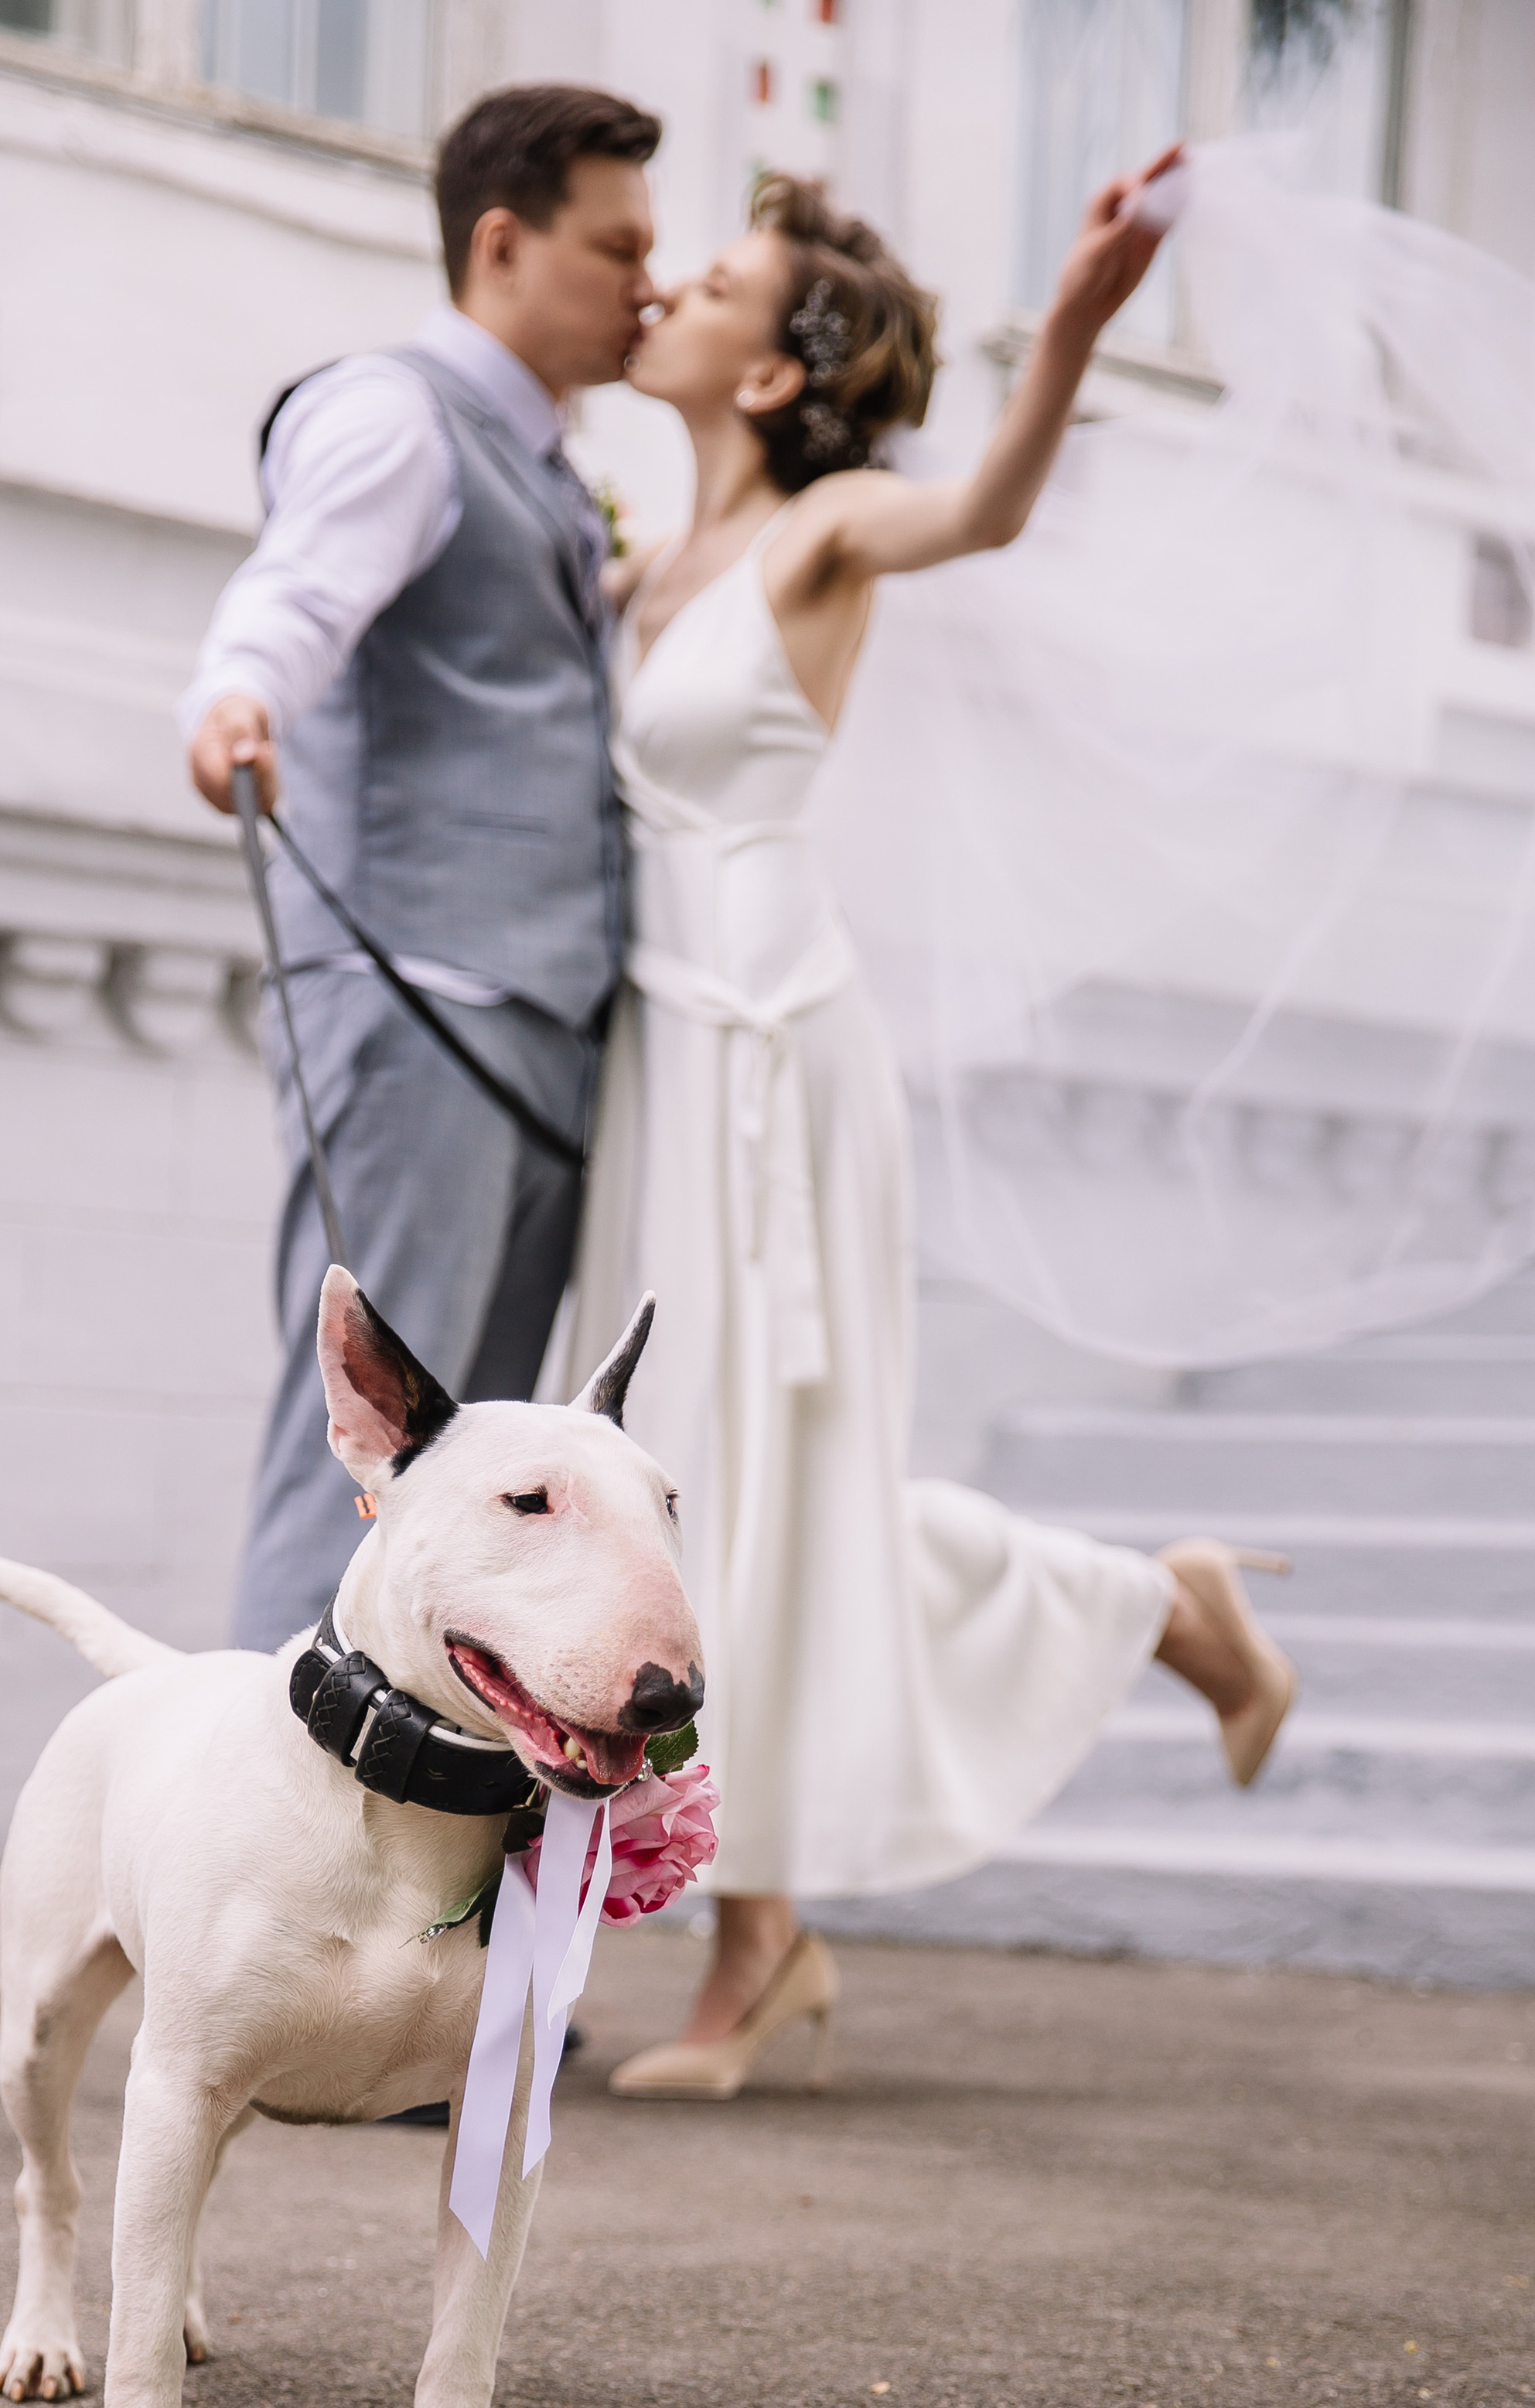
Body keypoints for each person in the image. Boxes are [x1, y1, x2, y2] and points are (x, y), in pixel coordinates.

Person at [563, 158, 1299, 2101]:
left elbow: (983, 509)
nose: (670, 288)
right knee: (702, 1486)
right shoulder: (635, 565)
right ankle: (1155, 1605)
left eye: (709, 277)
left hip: (778, 1066)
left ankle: (757, 1942)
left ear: (774, 377)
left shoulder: (822, 533)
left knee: (760, 1488)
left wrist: (1067, 319)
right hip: (667, 1059)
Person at [181, 84, 660, 1655]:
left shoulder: (545, 464)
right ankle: (251, 1829)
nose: (645, 283)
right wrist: (235, 697)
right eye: (616, 246)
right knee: (369, 1455)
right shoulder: (391, 410)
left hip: (532, 1013)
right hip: (416, 999)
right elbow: (295, 594)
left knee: (472, 1476)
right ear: (504, 242)